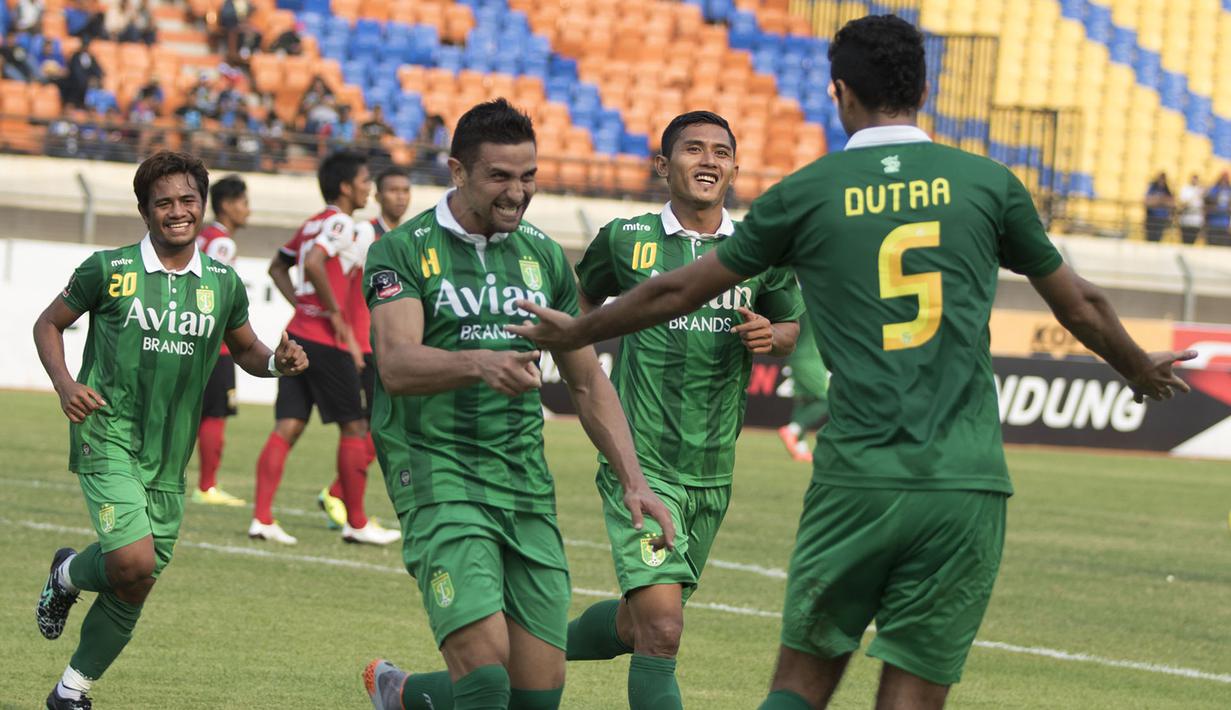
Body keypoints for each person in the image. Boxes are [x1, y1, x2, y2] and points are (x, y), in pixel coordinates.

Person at [506, 16, 1197, 710]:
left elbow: (679, 289)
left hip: (857, 477)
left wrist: (579, 331)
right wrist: (1136, 368)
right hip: (966, 482)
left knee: (799, 684)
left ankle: (512, 658)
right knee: (906, 695)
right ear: (924, 88)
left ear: (837, 92)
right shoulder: (987, 183)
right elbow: (1080, 304)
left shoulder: (808, 193)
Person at [359, 98, 676, 710]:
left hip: (524, 484)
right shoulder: (401, 250)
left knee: (536, 696)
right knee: (484, 679)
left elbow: (586, 382)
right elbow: (396, 365)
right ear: (458, 172)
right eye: (500, 177)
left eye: (527, 176)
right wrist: (479, 362)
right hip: (438, 476)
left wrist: (634, 480)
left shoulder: (544, 255)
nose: (517, 192)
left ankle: (401, 698)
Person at [32, 151, 308, 710]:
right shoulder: (107, 269)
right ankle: (66, 576)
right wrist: (64, 384)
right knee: (131, 560)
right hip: (106, 432)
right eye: (164, 202)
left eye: (187, 200)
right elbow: (49, 323)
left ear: (202, 206)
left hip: (168, 454)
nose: (178, 211)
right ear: (145, 210)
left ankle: (71, 690)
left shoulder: (225, 283)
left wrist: (278, 361)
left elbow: (248, 350)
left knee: (138, 580)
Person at [563, 111, 802, 709]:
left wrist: (772, 335)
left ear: (735, 169)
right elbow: (576, 306)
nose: (708, 161)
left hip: (714, 470)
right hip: (642, 465)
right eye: (693, 150)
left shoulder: (759, 250)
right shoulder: (625, 239)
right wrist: (585, 368)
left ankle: (513, 657)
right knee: (664, 631)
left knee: (636, 625)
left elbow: (793, 326)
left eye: (720, 152)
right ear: (663, 165)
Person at [251, 150, 399, 546]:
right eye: (366, 181)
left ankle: (262, 518)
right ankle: (357, 522)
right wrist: (333, 315)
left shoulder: (313, 221)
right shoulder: (339, 222)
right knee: (355, 426)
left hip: (297, 335)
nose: (370, 188)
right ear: (348, 186)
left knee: (288, 426)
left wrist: (304, 308)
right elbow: (316, 263)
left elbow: (277, 267)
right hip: (325, 342)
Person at [317, 165, 413, 529]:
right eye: (393, 190)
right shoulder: (363, 235)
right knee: (373, 428)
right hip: (365, 345)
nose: (400, 196)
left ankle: (340, 493)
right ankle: (342, 498)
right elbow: (341, 286)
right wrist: (351, 340)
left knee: (387, 429)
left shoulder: (409, 237)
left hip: (392, 346)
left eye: (406, 190)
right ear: (378, 196)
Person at [193, 175, 251, 507]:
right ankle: (208, 486)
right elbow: (215, 291)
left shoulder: (201, 236)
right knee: (215, 414)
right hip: (216, 343)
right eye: (244, 203)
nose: (248, 211)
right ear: (227, 205)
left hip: (193, 337)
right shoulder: (223, 243)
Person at [777, 316, 828, 463]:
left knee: (804, 401)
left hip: (796, 356)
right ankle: (792, 430)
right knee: (826, 400)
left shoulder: (799, 301)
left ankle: (800, 449)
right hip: (810, 358)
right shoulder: (814, 300)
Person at [1144, 172, 1174, 243]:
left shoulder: (1167, 190)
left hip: (1162, 218)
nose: (1162, 181)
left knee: (1158, 240)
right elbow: (1147, 201)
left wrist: (1158, 200)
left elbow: (1171, 203)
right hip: (1152, 217)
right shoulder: (1152, 187)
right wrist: (1162, 200)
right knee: (1150, 239)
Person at [1205, 172, 1231, 247]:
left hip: (1224, 223)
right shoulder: (1214, 189)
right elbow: (1208, 199)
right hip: (1213, 222)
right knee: (1212, 244)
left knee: (1222, 245)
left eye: (1226, 178)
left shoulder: (1229, 190)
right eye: (1223, 177)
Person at [1177, 174, 1204, 245]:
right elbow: (1182, 203)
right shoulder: (1185, 189)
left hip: (1196, 221)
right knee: (1185, 241)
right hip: (1186, 220)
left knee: (1193, 241)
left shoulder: (1200, 190)